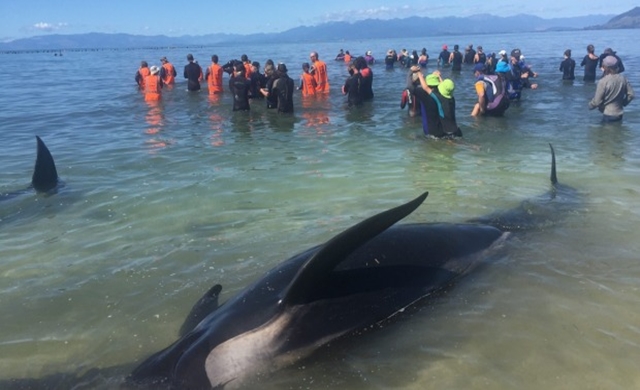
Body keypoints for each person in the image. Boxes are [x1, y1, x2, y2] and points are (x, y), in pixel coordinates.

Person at [413, 67, 462, 138]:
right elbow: (445, 87)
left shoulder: (439, 98)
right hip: (456, 129)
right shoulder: (452, 98)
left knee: (453, 144)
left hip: (447, 131)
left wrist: (419, 73)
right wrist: (439, 77)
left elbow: (425, 88)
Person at [588, 56, 634, 123]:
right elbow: (631, 95)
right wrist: (623, 103)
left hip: (608, 114)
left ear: (606, 67)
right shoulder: (623, 79)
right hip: (619, 113)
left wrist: (590, 105)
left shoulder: (603, 81)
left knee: (606, 132)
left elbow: (597, 102)